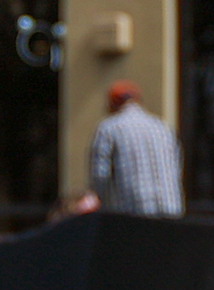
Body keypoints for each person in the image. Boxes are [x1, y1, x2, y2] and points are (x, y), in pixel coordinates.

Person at [71, 81, 183, 215]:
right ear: (138, 101)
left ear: (112, 104)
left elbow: (100, 174)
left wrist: (103, 204)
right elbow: (176, 165)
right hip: (171, 206)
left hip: (134, 209)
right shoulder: (162, 127)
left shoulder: (108, 128)